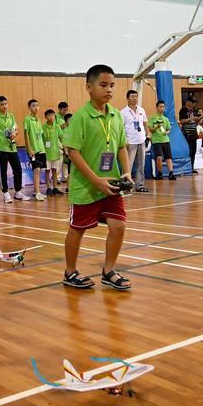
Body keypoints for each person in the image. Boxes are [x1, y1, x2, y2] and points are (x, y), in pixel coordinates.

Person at [62, 64, 132, 291]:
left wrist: (127, 172)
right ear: (88, 87)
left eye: (112, 85)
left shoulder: (115, 115)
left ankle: (108, 270)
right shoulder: (81, 117)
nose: (109, 89)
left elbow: (122, 146)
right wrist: (95, 180)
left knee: (118, 226)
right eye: (103, 85)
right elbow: (73, 151)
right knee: (77, 229)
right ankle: (70, 272)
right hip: (86, 186)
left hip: (111, 184)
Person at [0, 96, 26, 203]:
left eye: (6, 104)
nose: (4, 106)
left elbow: (15, 128)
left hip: (12, 147)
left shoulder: (11, 116)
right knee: (3, 170)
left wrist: (15, 133)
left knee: (17, 169)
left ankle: (18, 192)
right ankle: (5, 193)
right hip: (1, 147)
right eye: (2, 104)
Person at [120, 89, 150, 192]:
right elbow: (121, 128)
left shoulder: (141, 110)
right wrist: (125, 141)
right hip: (130, 142)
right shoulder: (123, 112)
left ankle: (140, 185)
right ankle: (126, 186)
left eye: (136, 96)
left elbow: (145, 123)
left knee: (141, 164)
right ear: (127, 98)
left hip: (141, 140)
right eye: (132, 96)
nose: (135, 98)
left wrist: (148, 134)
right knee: (128, 165)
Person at [24, 99, 47, 201]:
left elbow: (40, 135)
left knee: (39, 170)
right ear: (29, 107)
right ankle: (37, 192)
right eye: (33, 106)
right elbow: (26, 134)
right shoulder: (27, 119)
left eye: (37, 105)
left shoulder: (38, 120)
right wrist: (29, 149)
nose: (36, 107)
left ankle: (36, 191)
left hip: (41, 149)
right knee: (36, 169)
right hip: (33, 150)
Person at [149, 100, 176, 180]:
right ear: (157, 108)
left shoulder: (166, 119)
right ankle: (160, 173)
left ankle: (171, 173)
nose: (162, 108)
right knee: (159, 157)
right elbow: (150, 129)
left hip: (166, 140)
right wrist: (156, 127)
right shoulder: (153, 118)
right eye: (160, 107)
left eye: (163, 107)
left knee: (168, 157)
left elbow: (168, 129)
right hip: (157, 141)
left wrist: (166, 132)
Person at [42, 109, 66, 195]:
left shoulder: (57, 127)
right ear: (45, 117)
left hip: (56, 153)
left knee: (55, 170)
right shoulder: (43, 127)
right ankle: (48, 188)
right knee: (47, 171)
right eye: (49, 115)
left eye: (52, 115)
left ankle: (55, 187)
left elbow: (62, 137)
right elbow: (41, 140)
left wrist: (65, 148)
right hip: (47, 153)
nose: (51, 117)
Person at [178, 97, 200, 174]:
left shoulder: (193, 110)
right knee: (188, 151)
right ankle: (186, 168)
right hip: (187, 134)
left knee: (193, 152)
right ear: (187, 102)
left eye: (194, 102)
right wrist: (191, 119)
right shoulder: (183, 110)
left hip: (194, 134)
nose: (194, 104)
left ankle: (191, 167)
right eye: (192, 102)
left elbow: (194, 121)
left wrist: (199, 118)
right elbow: (181, 121)